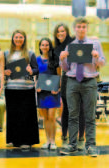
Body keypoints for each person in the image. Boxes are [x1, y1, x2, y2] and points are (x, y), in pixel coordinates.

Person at [59, 17, 105, 157]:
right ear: (74, 29)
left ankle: (91, 146)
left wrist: (96, 57)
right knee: (72, 115)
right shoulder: (70, 46)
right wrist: (62, 59)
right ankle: (72, 145)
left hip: (89, 81)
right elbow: (66, 68)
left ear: (87, 28)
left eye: (83, 27)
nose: (81, 29)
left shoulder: (95, 44)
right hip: (72, 81)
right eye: (78, 26)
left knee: (90, 116)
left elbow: (102, 63)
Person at [4, 30, 39, 149]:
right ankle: (14, 140)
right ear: (12, 39)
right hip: (11, 88)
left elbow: (36, 69)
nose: (18, 39)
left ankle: (27, 140)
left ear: (24, 39)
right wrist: (5, 72)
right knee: (13, 115)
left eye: (21, 37)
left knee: (26, 115)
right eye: (16, 37)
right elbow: (3, 70)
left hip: (27, 88)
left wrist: (31, 71)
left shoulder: (30, 53)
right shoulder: (6, 54)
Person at [53, 23, 85, 150]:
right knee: (66, 109)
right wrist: (59, 84)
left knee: (80, 108)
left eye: (63, 31)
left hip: (78, 77)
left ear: (67, 32)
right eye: (58, 31)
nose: (61, 33)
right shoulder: (56, 49)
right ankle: (64, 137)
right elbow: (58, 69)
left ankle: (81, 138)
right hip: (66, 78)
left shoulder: (74, 43)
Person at [36, 38, 61, 150]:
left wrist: (57, 87)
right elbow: (36, 76)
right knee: (45, 118)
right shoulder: (36, 59)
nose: (45, 47)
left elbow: (59, 75)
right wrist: (37, 86)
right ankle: (47, 140)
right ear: (40, 47)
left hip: (53, 91)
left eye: (47, 45)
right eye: (43, 45)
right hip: (42, 92)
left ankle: (53, 141)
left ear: (50, 47)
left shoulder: (55, 59)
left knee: (52, 116)